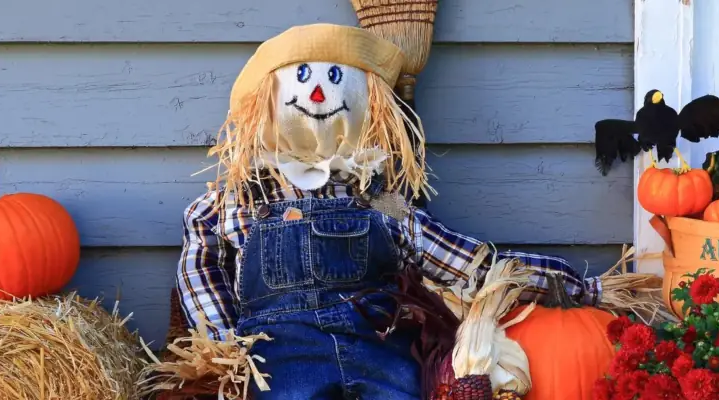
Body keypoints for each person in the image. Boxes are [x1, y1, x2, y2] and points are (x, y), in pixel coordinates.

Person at [176, 23, 585, 400]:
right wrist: (223, 342)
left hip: (380, 348)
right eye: (302, 79)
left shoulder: (379, 198)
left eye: (336, 80)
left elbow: (462, 260)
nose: (319, 95)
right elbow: (201, 258)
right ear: (265, 104)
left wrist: (563, 282)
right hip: (276, 357)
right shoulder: (244, 196)